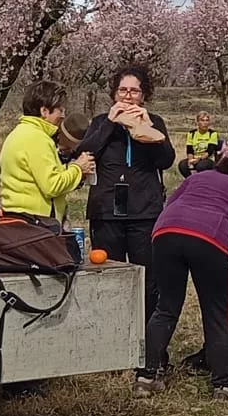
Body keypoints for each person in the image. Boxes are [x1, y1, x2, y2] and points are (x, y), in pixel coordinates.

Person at [134, 145, 228, 399]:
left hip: (165, 234)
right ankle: (222, 384)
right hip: (210, 239)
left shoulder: (197, 178)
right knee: (214, 312)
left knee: (166, 307)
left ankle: (146, 376)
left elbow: (171, 203)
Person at [74, 66, 174, 309]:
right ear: (113, 94)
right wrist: (110, 122)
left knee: (148, 278)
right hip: (106, 211)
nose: (128, 96)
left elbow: (166, 160)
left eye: (134, 91)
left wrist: (147, 128)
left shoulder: (155, 122)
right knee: (108, 274)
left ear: (143, 95)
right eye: (122, 91)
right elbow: (84, 152)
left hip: (144, 211)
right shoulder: (100, 122)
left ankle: (147, 336)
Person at [0, 80, 93, 229]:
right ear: (44, 111)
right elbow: (52, 185)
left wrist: (75, 174)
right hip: (37, 225)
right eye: (60, 110)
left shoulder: (20, 133)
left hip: (19, 221)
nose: (63, 116)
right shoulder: (37, 139)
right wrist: (78, 168)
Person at [180, 111, 222, 176]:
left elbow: (210, 151)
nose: (205, 123)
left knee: (201, 166)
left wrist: (198, 159)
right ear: (198, 122)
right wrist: (190, 160)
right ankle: (191, 181)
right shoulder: (191, 134)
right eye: (202, 120)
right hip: (194, 157)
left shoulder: (213, 134)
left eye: (207, 120)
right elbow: (189, 149)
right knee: (182, 165)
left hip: (207, 159)